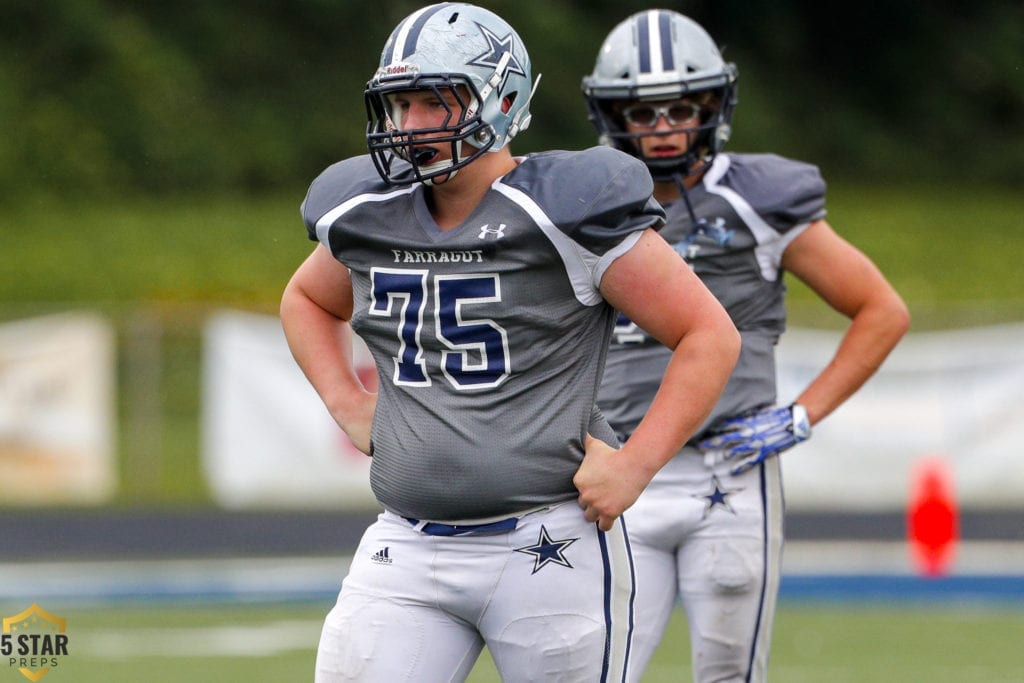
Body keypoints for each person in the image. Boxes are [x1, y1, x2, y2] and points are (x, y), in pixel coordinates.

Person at [280, 4, 740, 681]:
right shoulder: (368, 210)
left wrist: (637, 464)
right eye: (400, 104)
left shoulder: (564, 207)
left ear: (500, 97)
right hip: (406, 541)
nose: (411, 126)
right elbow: (307, 298)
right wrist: (346, 401)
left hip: (547, 541)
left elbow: (709, 333)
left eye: (434, 102)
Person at [582, 9, 911, 683]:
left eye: (680, 107)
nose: (664, 127)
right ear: (613, 116)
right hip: (615, 465)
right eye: (642, 113)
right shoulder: (580, 202)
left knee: (729, 673)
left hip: (727, 466)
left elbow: (881, 309)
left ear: (712, 104)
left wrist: (800, 414)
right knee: (594, 670)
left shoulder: (756, 197)